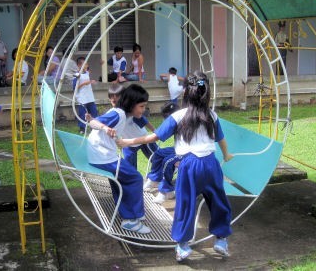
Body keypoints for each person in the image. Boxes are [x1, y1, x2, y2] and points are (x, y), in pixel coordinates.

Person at [116, 72, 234, 261]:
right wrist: (227, 155)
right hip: (211, 164)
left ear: (186, 91)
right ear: (206, 92)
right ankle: (221, 239)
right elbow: (221, 139)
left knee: (186, 204)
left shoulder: (179, 116)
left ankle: (183, 245)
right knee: (219, 202)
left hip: (189, 165)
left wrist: (129, 141)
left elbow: (153, 137)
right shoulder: (212, 115)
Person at [87, 84, 152, 234]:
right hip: (102, 157)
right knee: (135, 178)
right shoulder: (118, 114)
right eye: (141, 106)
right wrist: (104, 128)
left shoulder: (123, 115)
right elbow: (93, 122)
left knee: (120, 178)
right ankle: (131, 220)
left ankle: (125, 210)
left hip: (102, 155)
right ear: (131, 103)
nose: (143, 110)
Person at [144, 101, 182, 204]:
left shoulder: (178, 119)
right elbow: (162, 134)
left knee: (168, 161)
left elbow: (156, 137)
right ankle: (154, 179)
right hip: (178, 148)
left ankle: (165, 191)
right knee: (159, 152)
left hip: (188, 152)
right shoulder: (177, 119)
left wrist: (131, 141)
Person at [75, 62, 98, 134]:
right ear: (79, 65)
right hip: (82, 97)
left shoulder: (87, 73)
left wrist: (91, 82)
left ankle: (94, 127)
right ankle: (82, 128)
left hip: (90, 97)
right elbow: (75, 87)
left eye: (87, 64)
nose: (86, 65)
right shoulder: (76, 75)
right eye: (85, 64)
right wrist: (85, 83)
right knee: (83, 114)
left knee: (94, 112)